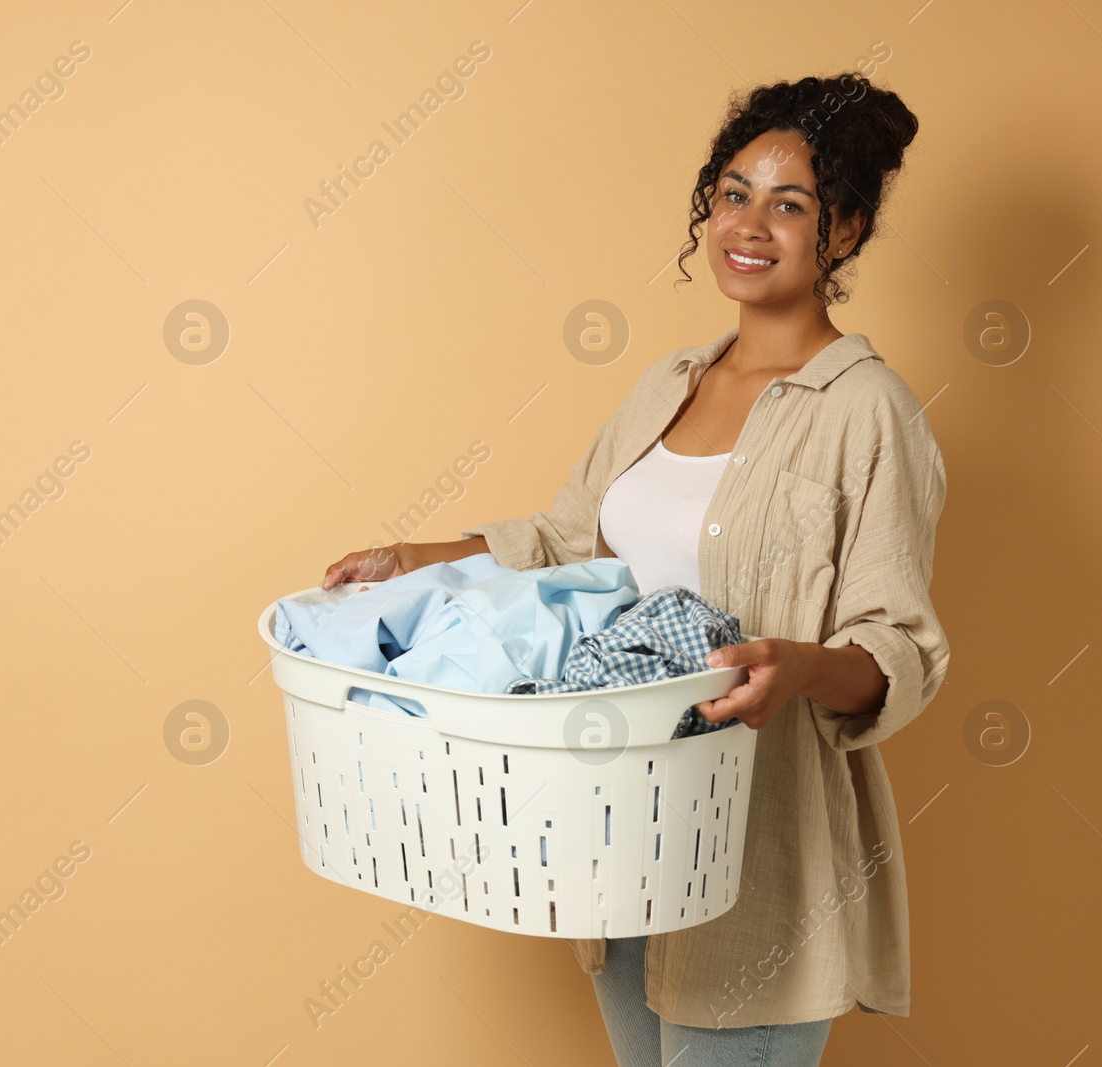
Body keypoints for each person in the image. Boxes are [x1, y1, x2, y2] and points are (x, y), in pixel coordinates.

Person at [320, 72, 948, 1067]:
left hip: (761, 861)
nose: (749, 223)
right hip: (621, 845)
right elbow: (571, 544)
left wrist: (793, 664)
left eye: (790, 204)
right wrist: (416, 554)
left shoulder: (863, 410)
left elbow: (897, 646)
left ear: (843, 231)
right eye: (733, 192)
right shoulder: (669, 383)